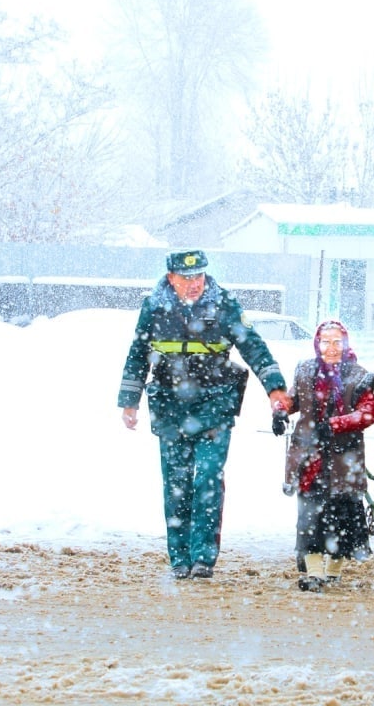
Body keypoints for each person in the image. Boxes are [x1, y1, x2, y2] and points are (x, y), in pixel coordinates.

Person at [118, 248, 292, 580]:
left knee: (208, 479)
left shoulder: (224, 304)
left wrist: (275, 388)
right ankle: (180, 559)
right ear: (171, 278)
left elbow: (253, 345)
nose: (194, 283)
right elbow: (138, 352)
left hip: (215, 405)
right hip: (170, 406)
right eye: (186, 277)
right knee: (177, 484)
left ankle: (203, 559)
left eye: (199, 276)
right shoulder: (154, 306)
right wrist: (130, 399)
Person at [279, 320, 374, 592]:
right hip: (310, 457)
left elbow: (369, 412)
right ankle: (313, 573)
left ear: (346, 344)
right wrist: (280, 411)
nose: (331, 348)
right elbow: (291, 400)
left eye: (337, 342)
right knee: (310, 517)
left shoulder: (359, 376)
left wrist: (335, 425)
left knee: (341, 518)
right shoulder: (305, 370)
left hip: (344, 459)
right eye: (326, 341)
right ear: (317, 343)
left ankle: (333, 571)